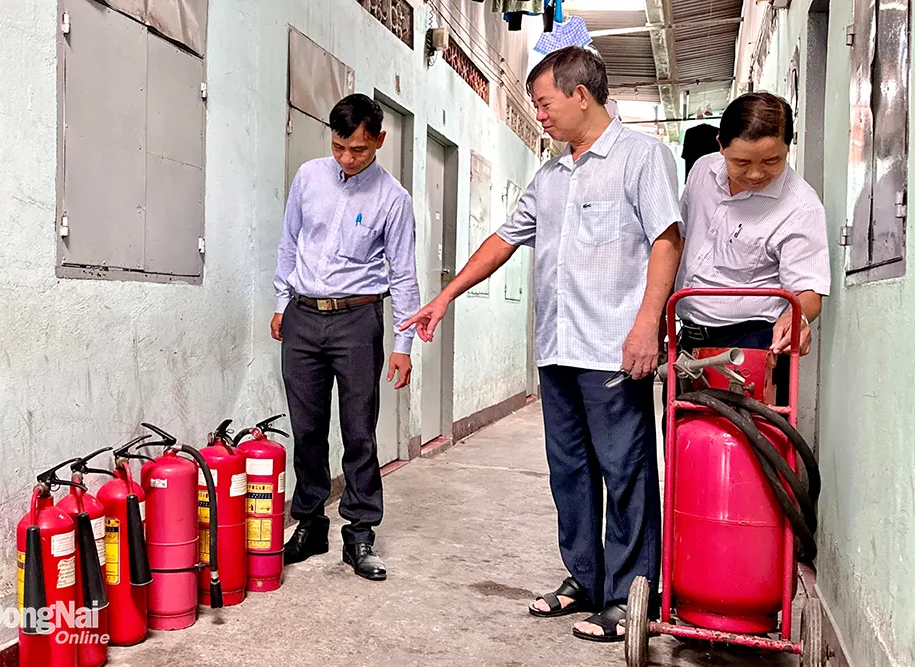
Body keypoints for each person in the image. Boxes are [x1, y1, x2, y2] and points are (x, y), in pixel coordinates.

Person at [401, 46, 683, 642]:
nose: (540, 115)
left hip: (614, 348)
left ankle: (632, 597)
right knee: (570, 472)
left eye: (544, 103)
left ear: (581, 94)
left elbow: (666, 241)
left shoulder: (642, 158)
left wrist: (646, 324)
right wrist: (445, 295)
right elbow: (504, 240)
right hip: (557, 350)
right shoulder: (551, 176)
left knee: (625, 471)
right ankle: (584, 577)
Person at [271, 93, 420, 581]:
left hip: (358, 322)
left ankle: (359, 535)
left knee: (359, 431)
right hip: (303, 317)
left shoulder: (393, 200)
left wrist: (403, 346)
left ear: (378, 140)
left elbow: (404, 276)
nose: (347, 159)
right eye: (338, 147)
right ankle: (310, 524)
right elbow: (289, 241)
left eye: (357, 149)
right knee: (307, 428)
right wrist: (280, 304)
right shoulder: (309, 177)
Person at [673, 92, 830, 404]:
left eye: (772, 160)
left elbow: (809, 293)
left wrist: (796, 319)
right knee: (686, 436)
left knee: (746, 443)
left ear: (789, 146)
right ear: (721, 146)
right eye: (741, 161)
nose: (757, 174)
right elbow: (681, 240)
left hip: (751, 344)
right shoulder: (703, 171)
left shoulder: (801, 207)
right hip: (688, 337)